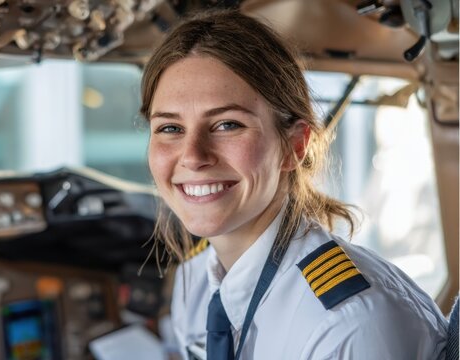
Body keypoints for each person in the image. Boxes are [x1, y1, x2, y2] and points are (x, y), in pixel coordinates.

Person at [140, 9, 448, 360]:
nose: (193, 156)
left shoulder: (348, 325)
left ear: (295, 146)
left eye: (227, 125)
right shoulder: (195, 285)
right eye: (170, 128)